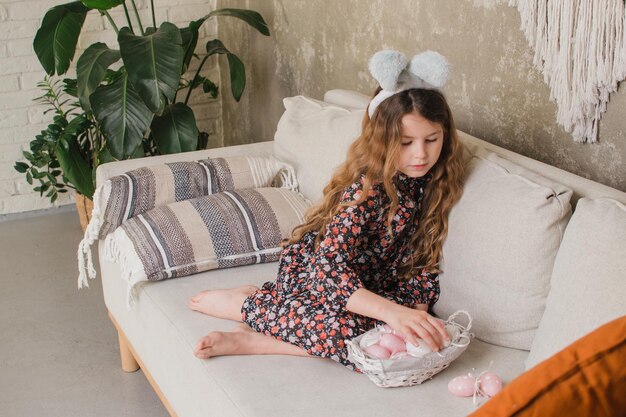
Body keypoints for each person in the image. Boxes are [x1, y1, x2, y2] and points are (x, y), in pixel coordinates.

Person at [188, 50, 465, 370]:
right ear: (382, 140)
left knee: (382, 343)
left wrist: (417, 318)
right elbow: (328, 271)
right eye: (406, 143)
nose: (421, 154)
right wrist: (392, 313)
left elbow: (421, 257)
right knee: (348, 337)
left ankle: (271, 314)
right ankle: (249, 311)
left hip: (374, 285)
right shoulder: (367, 189)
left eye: (431, 139)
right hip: (318, 275)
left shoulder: (438, 180)